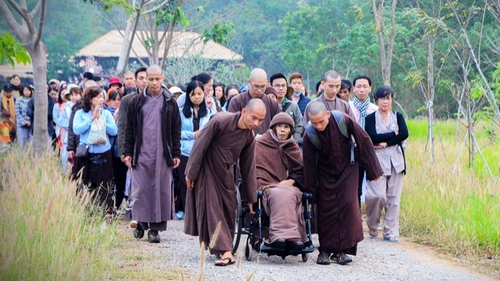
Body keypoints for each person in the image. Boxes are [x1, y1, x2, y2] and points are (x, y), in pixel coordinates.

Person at [184, 98, 266, 266]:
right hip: (207, 169)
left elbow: (249, 166)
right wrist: (191, 173)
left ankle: (223, 245)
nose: (256, 123)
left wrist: (251, 198)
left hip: (226, 173)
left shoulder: (249, 137)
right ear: (244, 112)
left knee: (229, 209)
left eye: (261, 120)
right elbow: (200, 145)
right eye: (253, 118)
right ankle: (225, 252)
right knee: (213, 208)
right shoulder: (220, 121)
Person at [302, 102, 383, 265]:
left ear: (328, 115)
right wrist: (311, 195)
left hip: (348, 168)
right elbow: (309, 166)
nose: (318, 126)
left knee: (348, 204)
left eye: (321, 122)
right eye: (314, 122)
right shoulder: (309, 134)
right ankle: (324, 250)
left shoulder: (343, 120)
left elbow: (364, 140)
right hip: (324, 172)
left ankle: (341, 251)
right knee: (326, 209)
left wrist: (373, 171)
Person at [122, 65, 181, 243]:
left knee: (160, 190)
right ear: (145, 79)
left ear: (162, 78)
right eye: (151, 79)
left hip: (163, 153)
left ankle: (155, 229)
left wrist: (176, 152)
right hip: (141, 152)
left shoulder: (170, 102)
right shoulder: (136, 101)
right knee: (141, 189)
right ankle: (140, 223)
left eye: (157, 79)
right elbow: (129, 129)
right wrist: (127, 152)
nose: (154, 83)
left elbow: (176, 129)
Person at [256, 112, 306, 249]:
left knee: (291, 194)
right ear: (273, 128)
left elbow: (303, 170)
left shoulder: (290, 146)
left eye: (286, 127)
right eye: (279, 126)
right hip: (265, 186)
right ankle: (278, 235)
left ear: (291, 130)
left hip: (286, 185)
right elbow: (250, 169)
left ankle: (293, 237)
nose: (283, 130)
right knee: (279, 194)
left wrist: (292, 181)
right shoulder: (260, 143)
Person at [364, 85, 408, 243]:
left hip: (396, 162)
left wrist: (385, 143)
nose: (385, 102)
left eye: (388, 98)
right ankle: (372, 223)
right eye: (382, 98)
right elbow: (371, 137)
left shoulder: (398, 116)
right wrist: (392, 136)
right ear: (376, 100)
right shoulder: (370, 118)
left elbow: (404, 133)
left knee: (393, 199)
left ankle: (390, 232)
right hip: (377, 162)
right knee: (376, 196)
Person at [73, 86, 118, 221]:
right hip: (86, 154)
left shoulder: (106, 113)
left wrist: (101, 122)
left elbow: (114, 131)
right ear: (90, 99)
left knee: (105, 183)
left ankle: (106, 212)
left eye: (102, 97)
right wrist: (91, 119)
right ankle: (86, 210)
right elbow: (76, 130)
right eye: (97, 97)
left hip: (103, 153)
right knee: (85, 182)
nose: (101, 99)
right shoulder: (80, 113)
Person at [175, 80, 214, 220]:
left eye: (199, 94)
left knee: (201, 183)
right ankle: (188, 212)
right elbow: (176, 133)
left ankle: (200, 212)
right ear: (188, 96)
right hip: (185, 152)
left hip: (202, 153)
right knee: (184, 183)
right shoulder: (180, 113)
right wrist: (192, 135)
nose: (197, 97)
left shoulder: (209, 113)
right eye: (193, 94)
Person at [349, 75, 379, 207]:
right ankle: (356, 218)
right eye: (358, 86)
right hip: (353, 152)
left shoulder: (375, 110)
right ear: (353, 89)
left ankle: (373, 220)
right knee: (354, 188)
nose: (362, 90)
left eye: (365, 87)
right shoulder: (347, 107)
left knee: (374, 189)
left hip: (371, 151)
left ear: (370, 89)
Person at [227, 68, 281, 136]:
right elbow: (230, 127)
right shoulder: (237, 101)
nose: (259, 90)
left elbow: (279, 126)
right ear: (249, 82)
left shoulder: (273, 104)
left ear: (267, 84)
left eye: (262, 87)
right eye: (256, 86)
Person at [269, 73, 304, 143]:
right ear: (271, 87)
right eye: (277, 86)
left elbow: (299, 126)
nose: (281, 88)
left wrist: (293, 141)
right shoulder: (267, 105)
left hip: (289, 144)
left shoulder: (293, 106)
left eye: (283, 85)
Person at [59, 85, 82, 170]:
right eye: (72, 95)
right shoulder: (66, 107)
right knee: (67, 159)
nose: (74, 97)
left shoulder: (82, 107)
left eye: (76, 95)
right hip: (68, 135)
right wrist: (71, 124)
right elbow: (61, 121)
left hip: (79, 137)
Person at [15, 85, 33, 150]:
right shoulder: (18, 101)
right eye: (25, 90)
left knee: (30, 144)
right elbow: (17, 113)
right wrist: (24, 122)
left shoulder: (32, 100)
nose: (27, 92)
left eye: (28, 90)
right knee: (22, 144)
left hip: (31, 125)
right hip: (21, 125)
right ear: (22, 91)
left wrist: (31, 122)